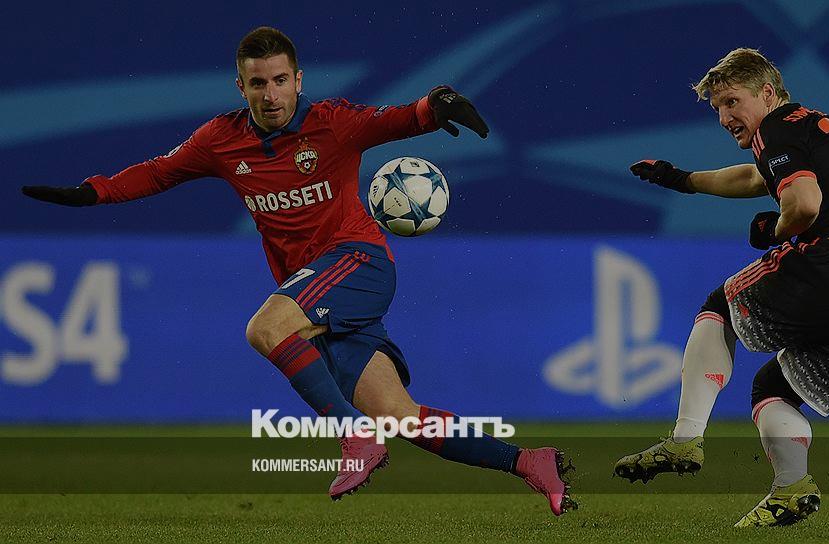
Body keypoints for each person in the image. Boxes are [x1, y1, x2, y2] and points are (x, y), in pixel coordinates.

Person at [22, 26, 575, 516]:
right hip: (317, 292)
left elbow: (401, 118)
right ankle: (530, 462)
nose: (271, 95)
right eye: (258, 84)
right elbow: (158, 172)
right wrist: (91, 193)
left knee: (266, 328)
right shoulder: (221, 140)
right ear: (241, 87)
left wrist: (437, 104)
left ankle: (353, 437)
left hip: (358, 261)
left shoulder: (333, 124)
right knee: (400, 417)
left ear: (298, 80)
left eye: (280, 81)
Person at [613, 48, 829, 527]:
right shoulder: (816, 128)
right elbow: (757, 177)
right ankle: (792, 487)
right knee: (773, 388)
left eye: (732, 101)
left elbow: (804, 203)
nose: (724, 117)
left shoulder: (775, 128)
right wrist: (682, 180)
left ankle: (684, 440)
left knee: (720, 306)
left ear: (768, 93)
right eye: (717, 108)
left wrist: (775, 230)